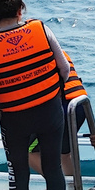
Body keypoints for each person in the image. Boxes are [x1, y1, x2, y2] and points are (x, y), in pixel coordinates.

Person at [0, 0, 72, 190]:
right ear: (21, 10)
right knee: (52, 168)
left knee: (18, 176)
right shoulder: (41, 29)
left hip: (13, 119)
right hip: (49, 111)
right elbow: (64, 69)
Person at [28, 50, 87, 178]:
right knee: (64, 154)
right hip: (80, 105)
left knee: (28, 150)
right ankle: (72, 189)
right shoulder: (59, 52)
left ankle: (57, 185)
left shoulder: (34, 55)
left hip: (62, 106)